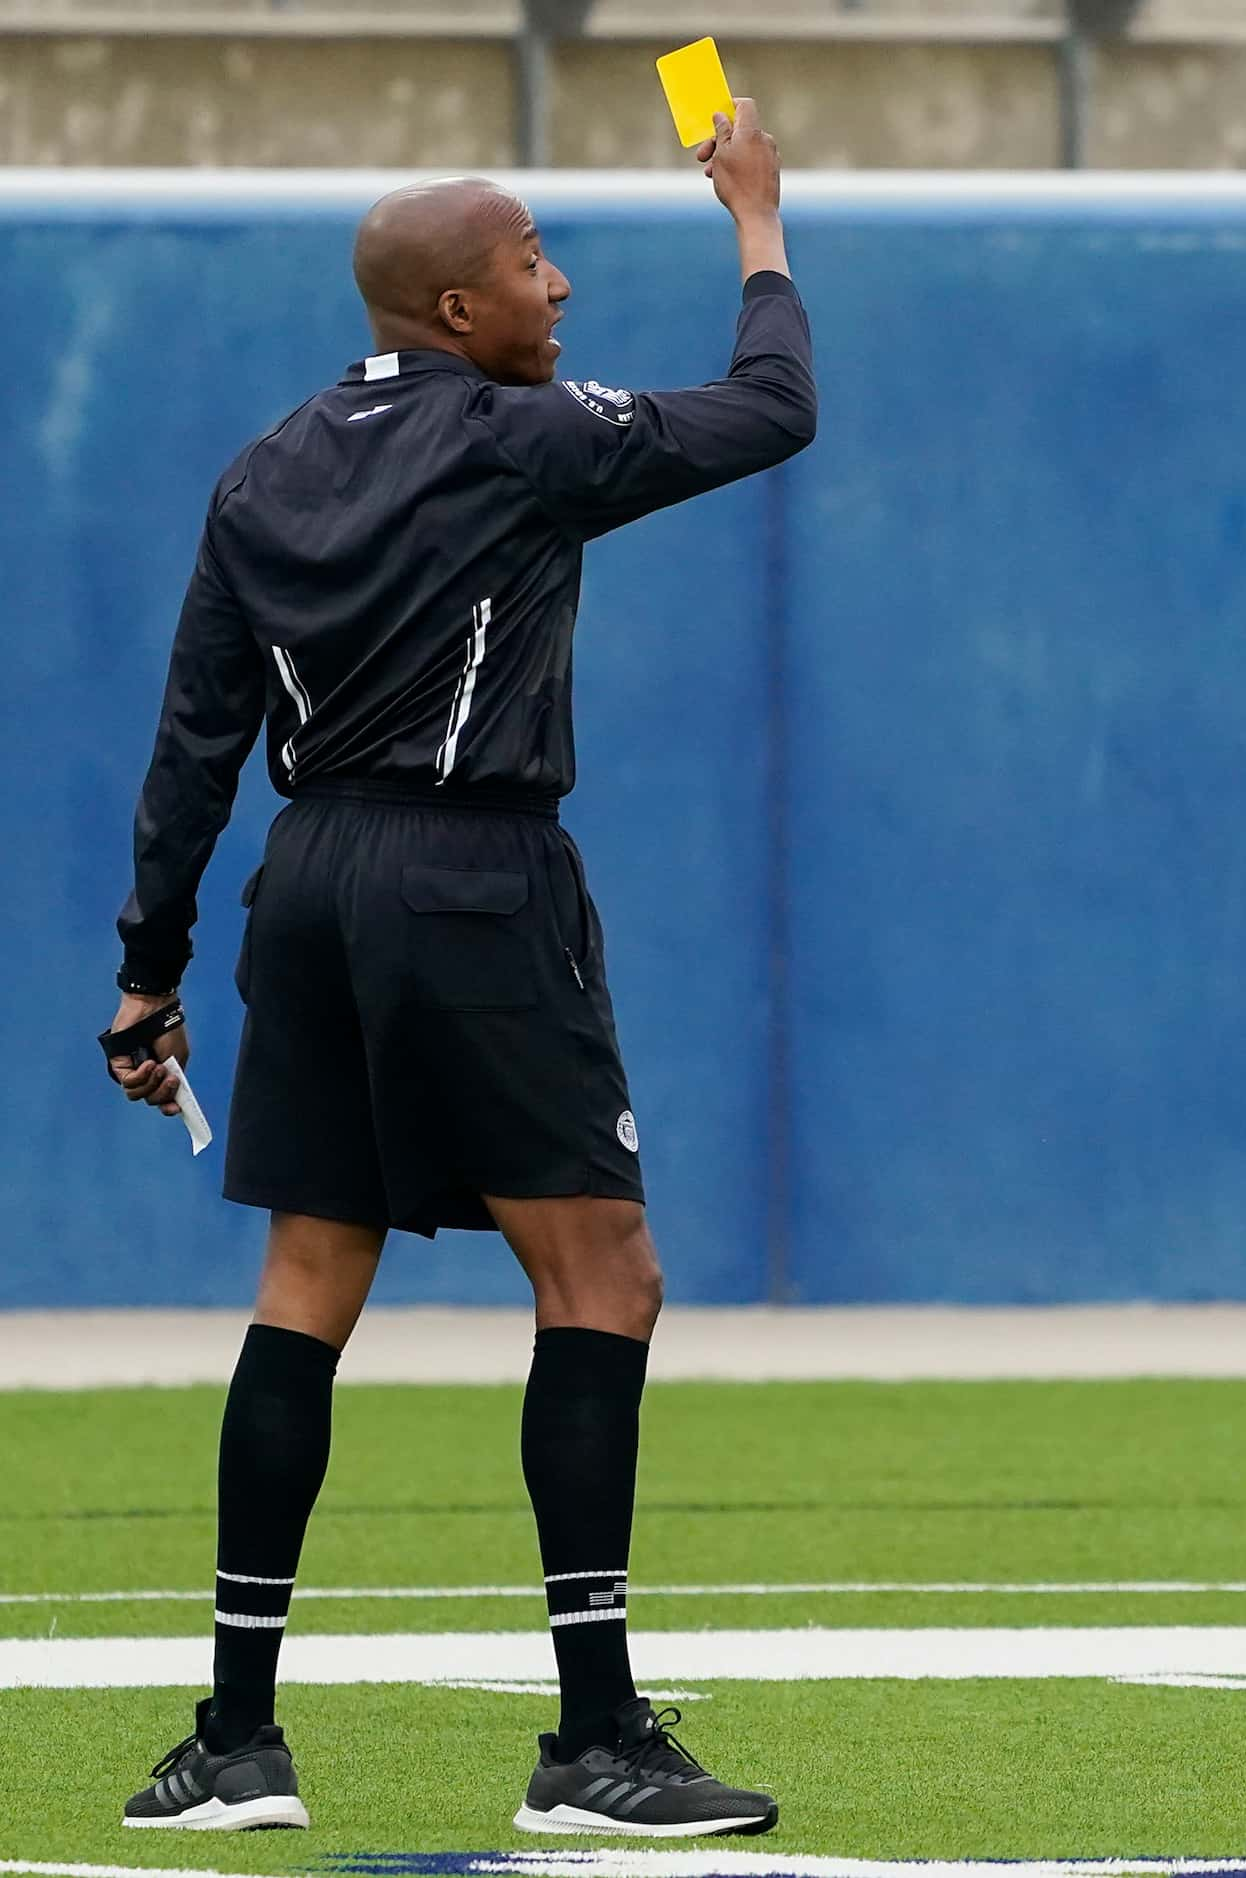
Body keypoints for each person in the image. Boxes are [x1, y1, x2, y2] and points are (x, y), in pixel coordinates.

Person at [102, 101, 814, 1835]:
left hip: (309, 881)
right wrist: (760, 223)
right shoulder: (517, 435)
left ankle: (232, 1741)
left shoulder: (259, 466)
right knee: (606, 1279)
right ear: (450, 311)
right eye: (527, 265)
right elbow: (778, 408)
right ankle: (592, 1744)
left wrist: (145, 972)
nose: (557, 286)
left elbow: (196, 740)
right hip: (472, 877)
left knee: (305, 1286)